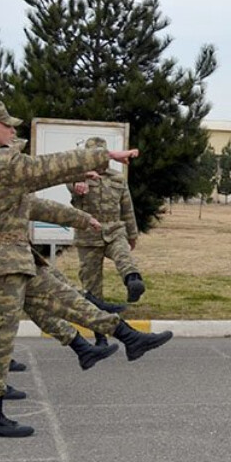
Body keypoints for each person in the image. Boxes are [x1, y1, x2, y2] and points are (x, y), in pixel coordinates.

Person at [0, 100, 171, 438]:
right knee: (0, 339)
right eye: (7, 125)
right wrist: (105, 156)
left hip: (14, 260)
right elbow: (45, 168)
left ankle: (128, 337)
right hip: (1, 264)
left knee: (67, 298)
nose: (12, 130)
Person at [68, 137, 145, 333]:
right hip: (88, 236)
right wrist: (79, 182)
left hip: (114, 230)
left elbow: (127, 208)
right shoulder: (77, 176)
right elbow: (71, 183)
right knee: (92, 284)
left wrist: (132, 234)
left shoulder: (118, 179)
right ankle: (99, 330)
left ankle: (133, 281)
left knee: (123, 255)